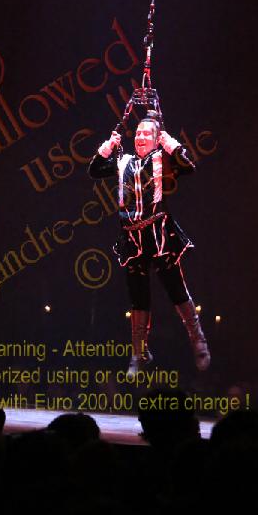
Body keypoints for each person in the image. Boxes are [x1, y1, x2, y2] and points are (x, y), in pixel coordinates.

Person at [88, 113, 210, 377]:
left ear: (156, 140)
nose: (141, 137)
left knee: (175, 289)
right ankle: (139, 352)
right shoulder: (123, 161)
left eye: (147, 134)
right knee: (138, 297)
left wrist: (169, 143)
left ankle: (198, 339)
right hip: (132, 237)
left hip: (158, 234)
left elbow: (188, 166)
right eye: (138, 133)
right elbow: (94, 170)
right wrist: (108, 146)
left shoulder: (162, 159)